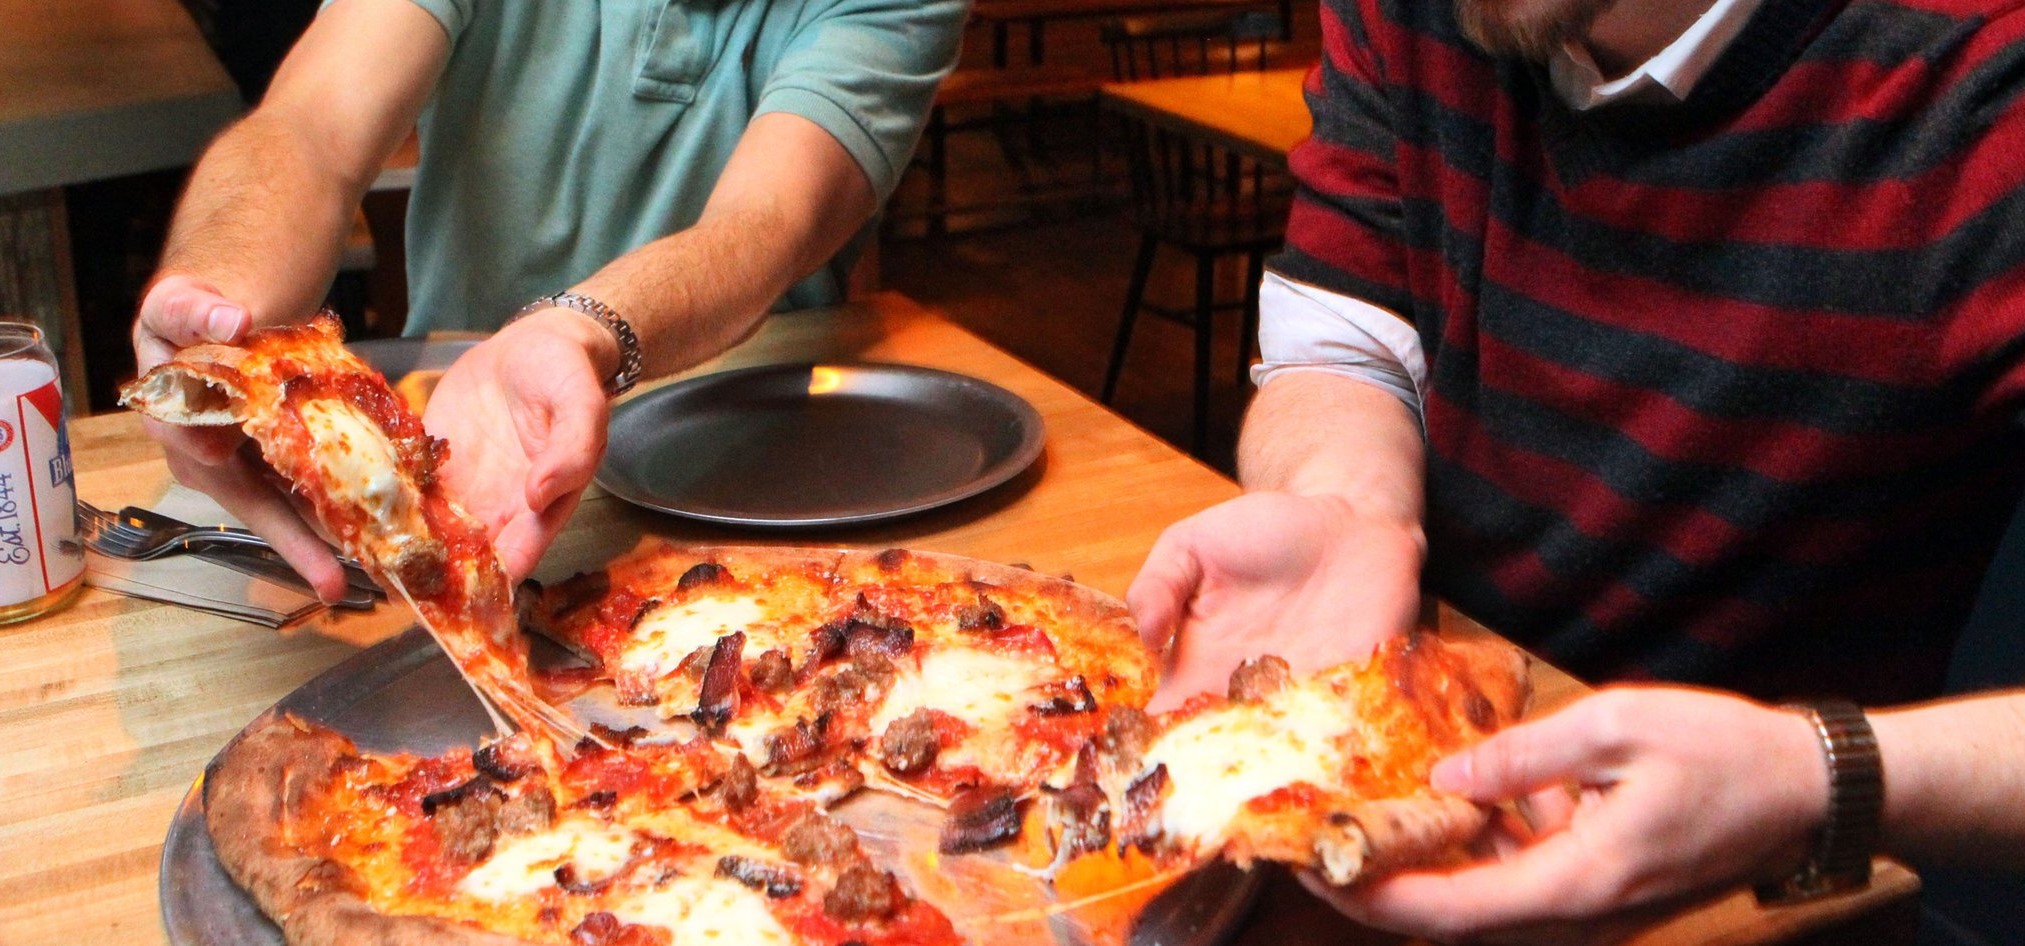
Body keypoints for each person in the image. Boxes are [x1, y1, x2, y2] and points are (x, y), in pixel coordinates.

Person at [1127, 0, 2025, 939]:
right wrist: (1345, 502)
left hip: (1767, 889)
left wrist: (1820, 776)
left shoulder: (1981, 74)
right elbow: (1344, 341)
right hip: (1406, 785)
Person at [132, 0, 963, 598]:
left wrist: (578, 331)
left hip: (754, 498)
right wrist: (217, 309)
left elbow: (767, 223)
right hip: (454, 459)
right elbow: (310, 129)